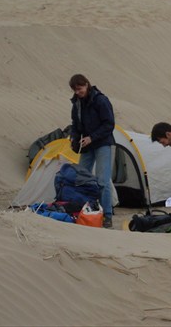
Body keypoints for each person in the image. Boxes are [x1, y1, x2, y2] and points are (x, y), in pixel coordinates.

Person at [68, 74, 115, 228]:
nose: (77, 92)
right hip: (87, 145)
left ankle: (107, 215)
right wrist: (74, 138)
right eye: (75, 90)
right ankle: (85, 211)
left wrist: (92, 137)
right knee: (82, 178)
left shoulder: (101, 100)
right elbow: (75, 125)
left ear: (87, 84)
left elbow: (109, 124)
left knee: (102, 181)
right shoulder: (76, 104)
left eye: (79, 89)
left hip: (102, 143)